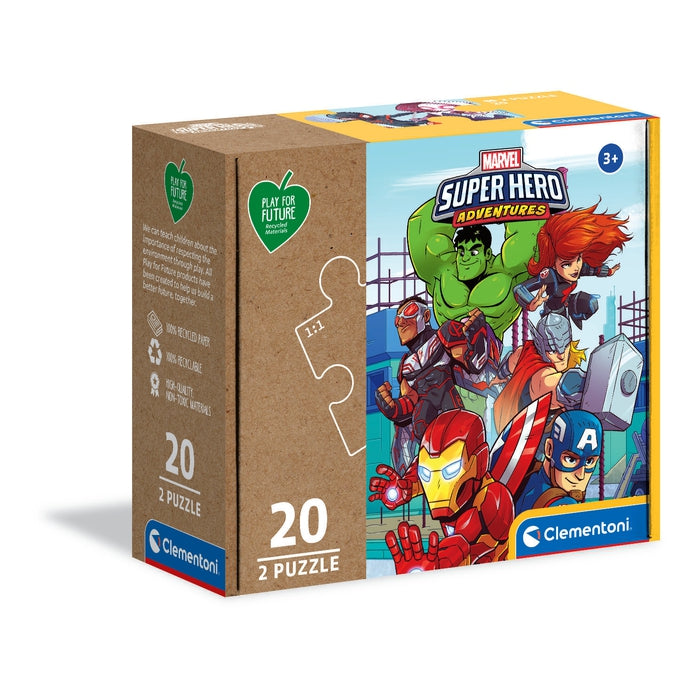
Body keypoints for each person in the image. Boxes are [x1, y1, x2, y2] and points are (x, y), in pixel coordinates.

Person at [407, 203, 543, 338]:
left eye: (474, 253)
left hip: (489, 345)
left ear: (487, 254)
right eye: (461, 252)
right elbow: (421, 226)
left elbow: (529, 235)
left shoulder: (507, 271)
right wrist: (460, 200)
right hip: (446, 346)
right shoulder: (444, 270)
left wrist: (500, 202)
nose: (465, 258)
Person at [513, 203, 631, 328]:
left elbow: (591, 269)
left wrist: (609, 271)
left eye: (578, 259)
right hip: (552, 316)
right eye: (566, 264)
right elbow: (519, 288)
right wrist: (530, 303)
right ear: (553, 263)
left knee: (590, 303)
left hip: (566, 305)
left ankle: (573, 316)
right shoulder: (549, 276)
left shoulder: (577, 269)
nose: (575, 268)